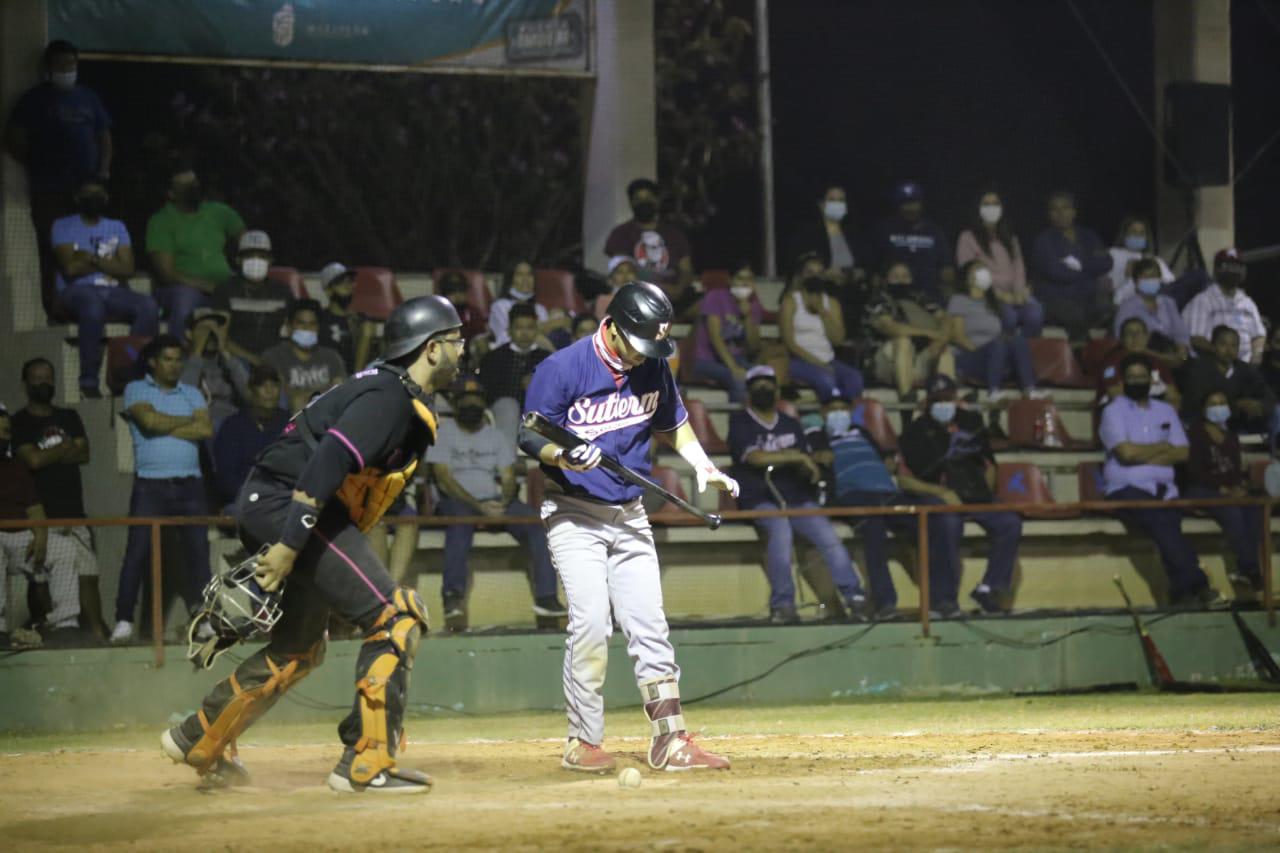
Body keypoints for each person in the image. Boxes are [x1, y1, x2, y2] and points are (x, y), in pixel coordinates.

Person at [161, 295, 464, 794]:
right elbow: (325, 463)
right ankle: (366, 764)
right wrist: (288, 544)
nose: (462, 351)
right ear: (431, 349)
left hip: (283, 504)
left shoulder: (392, 390)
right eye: (455, 341)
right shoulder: (389, 395)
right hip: (292, 506)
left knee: (300, 649)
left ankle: (199, 736)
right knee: (396, 616)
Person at [520, 281, 737, 773]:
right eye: (639, 345)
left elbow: (674, 420)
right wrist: (563, 456)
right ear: (612, 327)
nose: (645, 357)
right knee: (592, 623)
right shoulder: (563, 368)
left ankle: (670, 740)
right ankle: (582, 740)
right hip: (574, 513)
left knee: (650, 626)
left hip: (629, 512)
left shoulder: (653, 364)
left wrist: (703, 464)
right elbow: (529, 436)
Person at [727, 366, 868, 623]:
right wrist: (795, 456)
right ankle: (783, 605)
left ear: (777, 389)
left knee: (829, 538)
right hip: (761, 498)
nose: (763, 389)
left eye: (768, 384)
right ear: (748, 392)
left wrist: (809, 467)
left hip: (797, 497)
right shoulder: (740, 422)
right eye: (757, 385)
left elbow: (807, 462)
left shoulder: (790, 422)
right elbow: (756, 458)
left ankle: (855, 597)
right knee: (781, 533)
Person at [426, 377, 564, 631]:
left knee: (536, 523)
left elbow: (509, 477)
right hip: (455, 501)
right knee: (460, 525)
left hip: (494, 500)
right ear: (455, 404)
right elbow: (443, 479)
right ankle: (452, 597)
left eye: (476, 401)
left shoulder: (495, 436)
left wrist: (502, 501)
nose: (471, 405)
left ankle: (546, 598)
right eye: (466, 401)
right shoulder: (443, 433)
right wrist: (481, 509)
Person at [811, 395, 952, 620]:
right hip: (853, 495)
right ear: (823, 414)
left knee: (931, 523)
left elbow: (882, 454)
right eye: (833, 410)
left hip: (887, 492)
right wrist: (819, 455)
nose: (839, 414)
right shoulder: (817, 435)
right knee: (873, 530)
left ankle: (943, 600)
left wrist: (886, 461)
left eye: (843, 409)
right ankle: (885, 604)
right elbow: (815, 457)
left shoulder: (862, 432)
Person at [112, 335, 213, 644]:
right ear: (153, 363)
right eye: (167, 359)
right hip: (151, 487)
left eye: (178, 359)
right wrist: (185, 423)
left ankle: (207, 618)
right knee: (137, 553)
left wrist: (160, 420)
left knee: (199, 554)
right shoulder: (136, 389)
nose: (174, 365)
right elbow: (148, 422)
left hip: (190, 486)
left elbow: (205, 429)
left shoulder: (192, 392)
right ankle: (124, 619)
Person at [1099, 354, 1219, 608]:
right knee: (1163, 518)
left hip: (1165, 490)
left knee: (1167, 520)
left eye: (1141, 377)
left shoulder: (1166, 410)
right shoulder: (1113, 411)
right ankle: (1197, 584)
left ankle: (1182, 593)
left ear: (1151, 379)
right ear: (1124, 380)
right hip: (1126, 489)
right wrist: (1162, 448)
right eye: (1131, 377)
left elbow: (1183, 453)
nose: (1136, 381)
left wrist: (1144, 452)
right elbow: (1126, 454)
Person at [898, 374, 1024, 615]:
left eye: (947, 398)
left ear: (956, 398)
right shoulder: (914, 433)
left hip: (973, 493)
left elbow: (989, 466)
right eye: (937, 400)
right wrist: (942, 492)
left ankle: (989, 589)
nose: (943, 405)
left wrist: (983, 494)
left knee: (1009, 522)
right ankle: (943, 600)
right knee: (947, 524)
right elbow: (905, 480)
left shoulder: (972, 424)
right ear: (928, 402)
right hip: (938, 494)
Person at [4, 40, 112, 316]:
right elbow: (14, 139)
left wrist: (102, 172)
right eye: (61, 65)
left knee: (94, 241)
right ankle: (55, 305)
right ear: (48, 68)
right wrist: (40, 165)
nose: (67, 69)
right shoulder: (34, 99)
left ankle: (97, 299)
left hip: (87, 187)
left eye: (71, 65)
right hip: (49, 188)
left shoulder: (88, 97)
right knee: (53, 246)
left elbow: (104, 137)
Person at [10, 360, 104, 639]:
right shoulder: (19, 422)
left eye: (49, 378)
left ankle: (97, 633)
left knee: (88, 575)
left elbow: (84, 453)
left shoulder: (69, 416)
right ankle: (44, 631)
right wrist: (66, 446)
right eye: (37, 378)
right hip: (40, 518)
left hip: (74, 512)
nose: (44, 383)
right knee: (40, 581)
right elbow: (33, 460)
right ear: (26, 383)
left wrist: (49, 455)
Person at [50, 180, 158, 397]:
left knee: (149, 305)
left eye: (98, 193)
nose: (94, 198)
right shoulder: (63, 225)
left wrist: (90, 258)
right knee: (93, 304)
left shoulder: (116, 226)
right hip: (74, 293)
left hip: (114, 292)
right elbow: (70, 268)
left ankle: (131, 370)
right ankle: (89, 379)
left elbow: (127, 268)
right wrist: (109, 263)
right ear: (77, 197)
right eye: (88, 193)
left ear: (106, 198)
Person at [0, 403, 83, 647]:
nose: (3, 436)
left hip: (19, 539)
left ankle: (65, 625)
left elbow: (35, 509)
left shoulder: (16, 467)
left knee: (64, 549)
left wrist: (41, 536)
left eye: (6, 432)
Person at [146, 165, 246, 335]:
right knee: (186, 299)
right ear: (171, 194)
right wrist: (209, 287)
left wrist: (242, 267)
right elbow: (167, 274)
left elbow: (249, 243)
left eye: (195, 183)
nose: (193, 189)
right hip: (180, 289)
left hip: (223, 286)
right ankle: (176, 353)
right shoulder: (161, 221)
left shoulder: (219, 212)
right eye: (186, 187)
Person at [1185, 390, 1264, 598]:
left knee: (1254, 506)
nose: (1219, 407)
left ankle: (1250, 567)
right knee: (1230, 510)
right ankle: (1249, 568)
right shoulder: (1195, 433)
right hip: (1199, 488)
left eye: (1222, 403)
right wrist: (1222, 490)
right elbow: (1193, 471)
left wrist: (1238, 488)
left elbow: (1235, 472)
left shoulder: (1231, 438)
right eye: (1213, 403)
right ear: (1203, 409)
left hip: (1226, 490)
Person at [947, 260, 1044, 403]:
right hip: (970, 357)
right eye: (978, 269)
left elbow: (1014, 299)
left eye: (985, 269)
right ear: (967, 278)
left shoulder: (992, 302)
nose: (984, 272)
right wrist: (986, 351)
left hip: (995, 357)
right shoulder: (959, 300)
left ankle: (1029, 389)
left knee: (1018, 340)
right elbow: (958, 336)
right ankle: (993, 392)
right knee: (997, 344)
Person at [602, 178, 698, 317]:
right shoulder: (620, 234)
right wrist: (656, 288)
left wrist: (678, 289)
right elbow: (621, 272)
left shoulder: (675, 234)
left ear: (657, 201)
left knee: (709, 305)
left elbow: (686, 269)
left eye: (648, 198)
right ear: (631, 203)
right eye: (638, 199)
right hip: (638, 298)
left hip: (675, 297)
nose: (643, 203)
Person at [693, 262, 788, 402]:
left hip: (739, 359)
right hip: (707, 360)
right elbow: (715, 338)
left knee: (762, 379)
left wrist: (748, 316)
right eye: (740, 278)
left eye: (749, 279)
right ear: (730, 280)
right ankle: (739, 421)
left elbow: (754, 346)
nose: (744, 283)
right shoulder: (715, 297)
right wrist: (734, 368)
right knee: (738, 380)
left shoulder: (754, 304)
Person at [955, 189, 1042, 337]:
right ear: (978, 208)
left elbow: (1019, 268)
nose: (991, 208)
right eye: (986, 204)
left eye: (995, 204)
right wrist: (1000, 295)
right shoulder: (967, 237)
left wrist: (1019, 292)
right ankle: (1004, 353)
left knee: (1035, 313)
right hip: (988, 295)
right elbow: (970, 275)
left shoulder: (1010, 237)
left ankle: (1023, 352)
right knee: (1009, 317)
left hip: (1013, 293)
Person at [868, 261, 953, 410]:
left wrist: (942, 337)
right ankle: (907, 400)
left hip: (917, 362)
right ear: (886, 279)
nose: (901, 280)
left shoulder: (919, 298)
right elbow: (890, 327)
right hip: (886, 363)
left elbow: (944, 318)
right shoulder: (880, 299)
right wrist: (929, 333)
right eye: (895, 276)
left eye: (905, 276)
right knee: (903, 341)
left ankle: (949, 402)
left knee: (945, 351)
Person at [1030, 191, 1113, 341]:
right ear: (1049, 214)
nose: (1061, 213)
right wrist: (1090, 267)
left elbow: (1106, 262)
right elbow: (1056, 272)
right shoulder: (1043, 241)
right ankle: (1084, 358)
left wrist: (1077, 265)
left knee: (1115, 312)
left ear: (1074, 212)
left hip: (1090, 300)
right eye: (1055, 209)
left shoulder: (1088, 236)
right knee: (1075, 314)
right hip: (1055, 302)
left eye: (1065, 208)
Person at [1181, 326, 1279, 441]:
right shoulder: (1200, 369)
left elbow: (1269, 397)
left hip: (1239, 425)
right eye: (1223, 344)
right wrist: (1238, 405)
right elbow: (1196, 405)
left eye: (1234, 346)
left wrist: (1260, 406)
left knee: (1277, 412)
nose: (1228, 350)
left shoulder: (1244, 369)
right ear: (1213, 347)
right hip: (1204, 424)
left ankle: (1275, 454)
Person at [211, 364, 287, 510]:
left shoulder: (290, 425)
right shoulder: (233, 426)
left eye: (274, 386)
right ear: (251, 391)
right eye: (262, 386)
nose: (269, 391)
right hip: (243, 500)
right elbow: (226, 476)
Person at [865, 181, 953, 308]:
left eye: (914, 203)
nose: (910, 207)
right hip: (894, 298)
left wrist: (948, 291)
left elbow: (946, 267)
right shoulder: (884, 229)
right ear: (898, 205)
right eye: (906, 203)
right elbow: (874, 269)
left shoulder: (935, 231)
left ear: (921, 204)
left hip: (930, 297)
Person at [211, 230, 293, 365]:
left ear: (270, 261)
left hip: (275, 358)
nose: (256, 261)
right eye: (250, 256)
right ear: (238, 260)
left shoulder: (282, 291)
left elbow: (294, 329)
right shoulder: (225, 290)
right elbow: (221, 336)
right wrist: (254, 360)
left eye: (262, 256)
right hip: (238, 357)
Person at [780, 275, 864, 402]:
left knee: (854, 378)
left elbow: (838, 340)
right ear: (803, 292)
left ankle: (849, 416)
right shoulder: (790, 302)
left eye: (818, 294)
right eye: (809, 294)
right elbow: (789, 343)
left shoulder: (831, 304)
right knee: (826, 380)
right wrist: (818, 364)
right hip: (797, 360)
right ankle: (832, 415)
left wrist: (824, 314)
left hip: (828, 360)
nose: (813, 298)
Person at [478, 302, 551, 443]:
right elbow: (486, 393)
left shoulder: (548, 360)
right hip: (501, 416)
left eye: (529, 328)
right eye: (519, 328)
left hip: (536, 416)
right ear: (509, 330)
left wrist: (538, 385)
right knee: (508, 405)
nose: (524, 333)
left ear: (536, 330)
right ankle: (508, 461)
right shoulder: (493, 358)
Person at [261, 300, 347, 414]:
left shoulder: (331, 356)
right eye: (301, 323)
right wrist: (323, 392)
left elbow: (340, 391)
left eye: (312, 324)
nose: (307, 329)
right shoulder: (274, 357)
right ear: (289, 326)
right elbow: (284, 393)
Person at [1183, 248, 1265, 364]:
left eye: (1236, 267)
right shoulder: (1203, 300)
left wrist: (1257, 353)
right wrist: (1227, 355)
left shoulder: (1247, 302)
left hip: (1247, 366)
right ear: (1216, 270)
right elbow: (1196, 339)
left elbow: (1259, 335)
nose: (1232, 271)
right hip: (1214, 363)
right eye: (1227, 266)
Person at [180, 309, 249, 430]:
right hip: (198, 422)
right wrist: (197, 353)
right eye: (205, 329)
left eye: (216, 329)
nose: (211, 334)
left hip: (231, 420)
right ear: (189, 334)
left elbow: (250, 395)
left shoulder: (230, 363)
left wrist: (225, 351)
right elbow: (182, 398)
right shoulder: (179, 362)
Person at [1113, 257, 1191, 361]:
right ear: (1136, 281)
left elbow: (1180, 332)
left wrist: (1181, 353)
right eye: (1145, 277)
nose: (1150, 280)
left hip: (1175, 354)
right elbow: (1123, 340)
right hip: (1144, 358)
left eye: (1154, 276)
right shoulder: (1127, 307)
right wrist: (1164, 358)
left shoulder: (1168, 302)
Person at [1097, 317, 1181, 411]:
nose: (1135, 337)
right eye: (1129, 333)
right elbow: (1115, 395)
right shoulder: (1111, 363)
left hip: (1152, 414)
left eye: (1139, 332)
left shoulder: (1156, 362)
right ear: (1121, 339)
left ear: (1146, 338)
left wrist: (1167, 412)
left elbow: (1173, 395)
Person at [785, 184, 864, 279]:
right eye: (832, 200)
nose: (837, 205)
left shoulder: (854, 235)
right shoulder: (807, 235)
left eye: (841, 200)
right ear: (821, 204)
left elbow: (865, 264)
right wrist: (824, 274)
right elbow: (797, 267)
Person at [487, 260, 568, 351]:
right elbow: (503, 337)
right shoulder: (500, 306)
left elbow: (546, 333)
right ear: (510, 278)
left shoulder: (539, 308)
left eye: (529, 275)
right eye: (519, 275)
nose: (525, 279)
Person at [318, 262, 375, 373]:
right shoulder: (320, 319)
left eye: (349, 281)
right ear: (328, 290)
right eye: (340, 282)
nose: (347, 285)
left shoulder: (360, 321)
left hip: (354, 376)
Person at [1107, 216, 1175, 303]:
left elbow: (1171, 285)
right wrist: (1129, 278)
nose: (1137, 236)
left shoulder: (1155, 260)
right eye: (1134, 231)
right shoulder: (1112, 254)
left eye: (1142, 233)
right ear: (1124, 234)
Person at [591, 255, 638, 320]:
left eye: (630, 271)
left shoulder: (643, 299)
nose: (625, 275)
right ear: (611, 278)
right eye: (619, 272)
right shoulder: (603, 300)